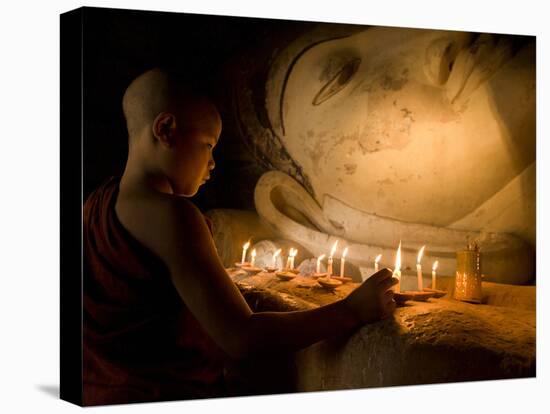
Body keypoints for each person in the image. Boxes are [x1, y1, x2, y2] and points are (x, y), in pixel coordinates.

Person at [83, 67, 397, 405]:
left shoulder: (96, 202)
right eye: (207, 145)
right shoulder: (173, 216)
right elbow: (241, 338)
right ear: (166, 129)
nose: (213, 163)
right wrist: (350, 309)